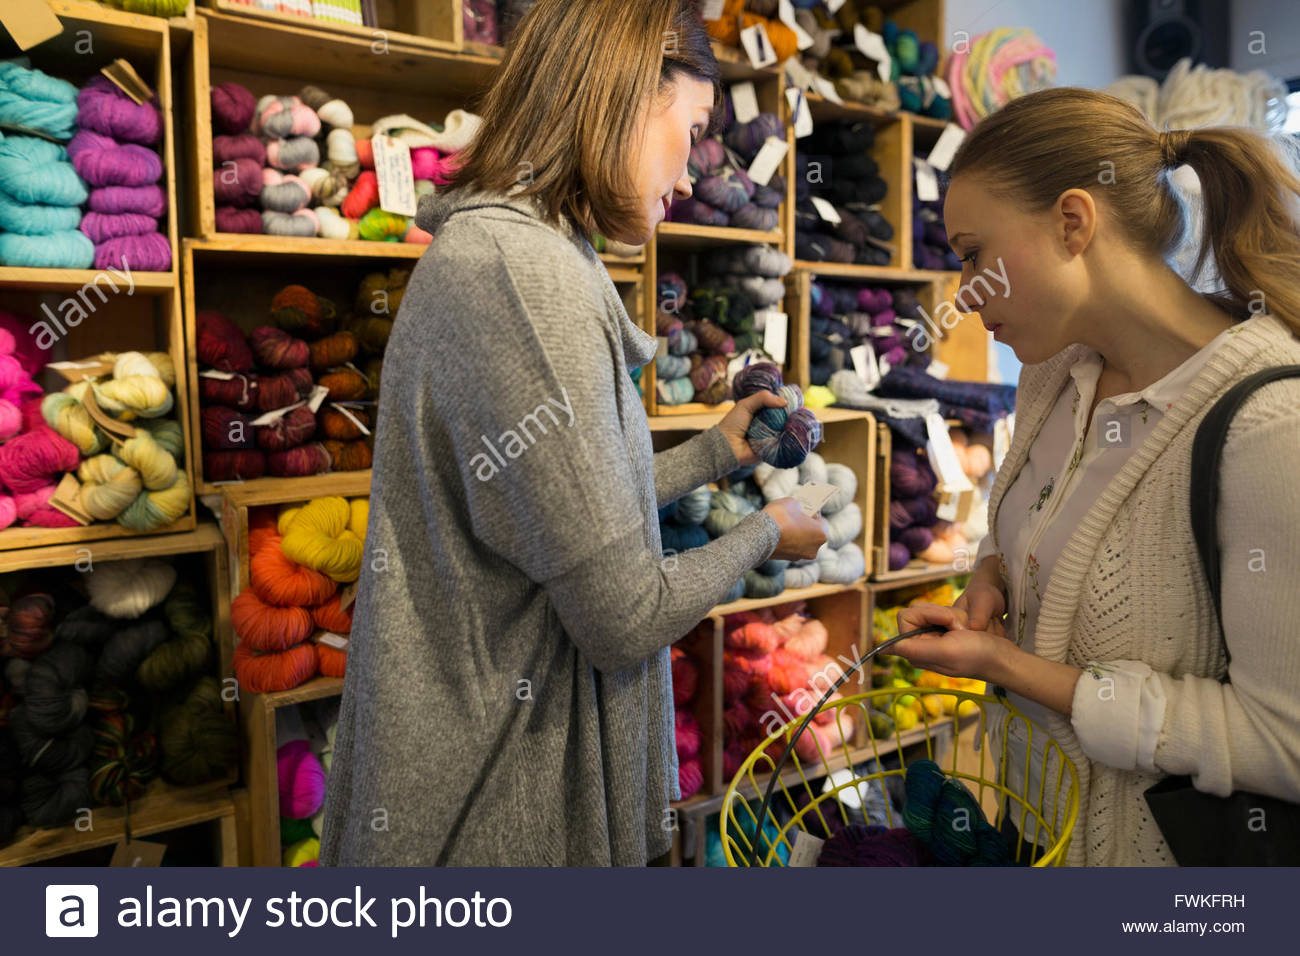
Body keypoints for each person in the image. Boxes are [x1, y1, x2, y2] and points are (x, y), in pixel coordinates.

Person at [317, 0, 827, 867]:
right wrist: (767, 534)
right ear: (625, 92)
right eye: (694, 125)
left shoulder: (532, 254)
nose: (699, 174)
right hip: (500, 815)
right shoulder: (525, 278)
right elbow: (625, 617)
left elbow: (561, 507)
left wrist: (715, 453)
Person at [892, 87, 1300, 865]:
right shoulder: (1056, 372)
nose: (965, 291)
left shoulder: (1271, 426)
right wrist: (993, 579)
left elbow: (1285, 743)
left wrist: (1014, 669)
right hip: (1038, 839)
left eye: (974, 255)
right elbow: (1032, 531)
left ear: (1074, 223)